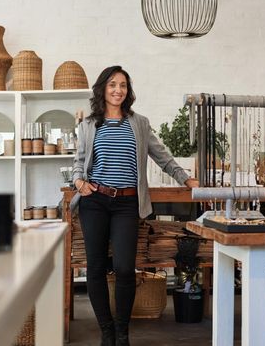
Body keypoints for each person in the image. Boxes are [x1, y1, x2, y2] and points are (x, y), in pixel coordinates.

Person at [71, 66, 199, 346]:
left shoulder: (139, 123)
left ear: (128, 91)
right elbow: (79, 163)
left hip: (127, 203)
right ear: (103, 89)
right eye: (113, 84)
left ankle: (122, 332)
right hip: (94, 202)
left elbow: (162, 155)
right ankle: (106, 333)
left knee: (125, 268)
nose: (118, 90)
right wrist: (79, 182)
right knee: (94, 268)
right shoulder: (89, 124)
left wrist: (185, 178)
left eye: (124, 85)